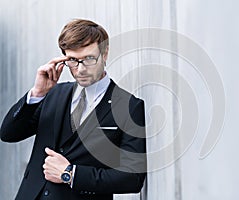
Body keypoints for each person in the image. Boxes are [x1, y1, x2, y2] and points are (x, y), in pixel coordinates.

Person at [0, 19, 146, 200]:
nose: (81, 69)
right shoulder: (53, 94)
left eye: (89, 58)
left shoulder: (129, 106)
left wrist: (71, 174)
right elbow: (8, 133)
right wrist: (37, 93)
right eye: (73, 60)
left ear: (105, 53)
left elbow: (133, 178)